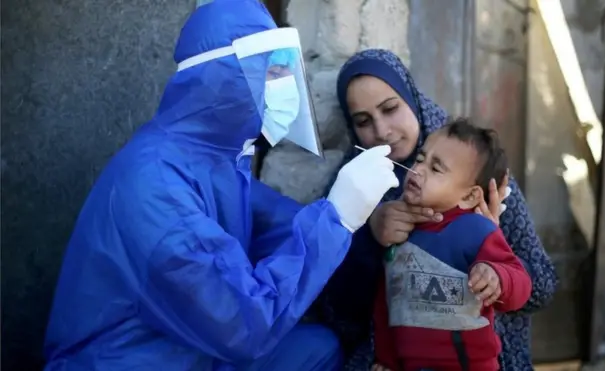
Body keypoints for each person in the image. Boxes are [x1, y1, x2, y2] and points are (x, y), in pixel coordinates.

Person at [42, 2, 400, 370]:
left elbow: (280, 223)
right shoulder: (153, 186)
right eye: (272, 73)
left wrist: (367, 226)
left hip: (191, 346)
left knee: (316, 348)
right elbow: (242, 324)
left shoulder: (214, 159)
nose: (284, 87)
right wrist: (337, 217)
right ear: (225, 80)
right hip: (129, 357)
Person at [315, 49, 558, 371]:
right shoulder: (352, 184)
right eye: (363, 121)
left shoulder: (473, 170)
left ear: (411, 98)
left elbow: (542, 287)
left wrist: (489, 254)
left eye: (390, 109)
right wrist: (368, 238)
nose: (382, 130)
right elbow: (336, 313)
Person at [371, 118, 532, 371]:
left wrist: (497, 276)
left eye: (436, 169)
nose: (417, 170)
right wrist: (387, 361)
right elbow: (388, 306)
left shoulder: (476, 230)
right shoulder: (398, 232)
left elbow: (521, 284)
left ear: (469, 196)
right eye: (421, 158)